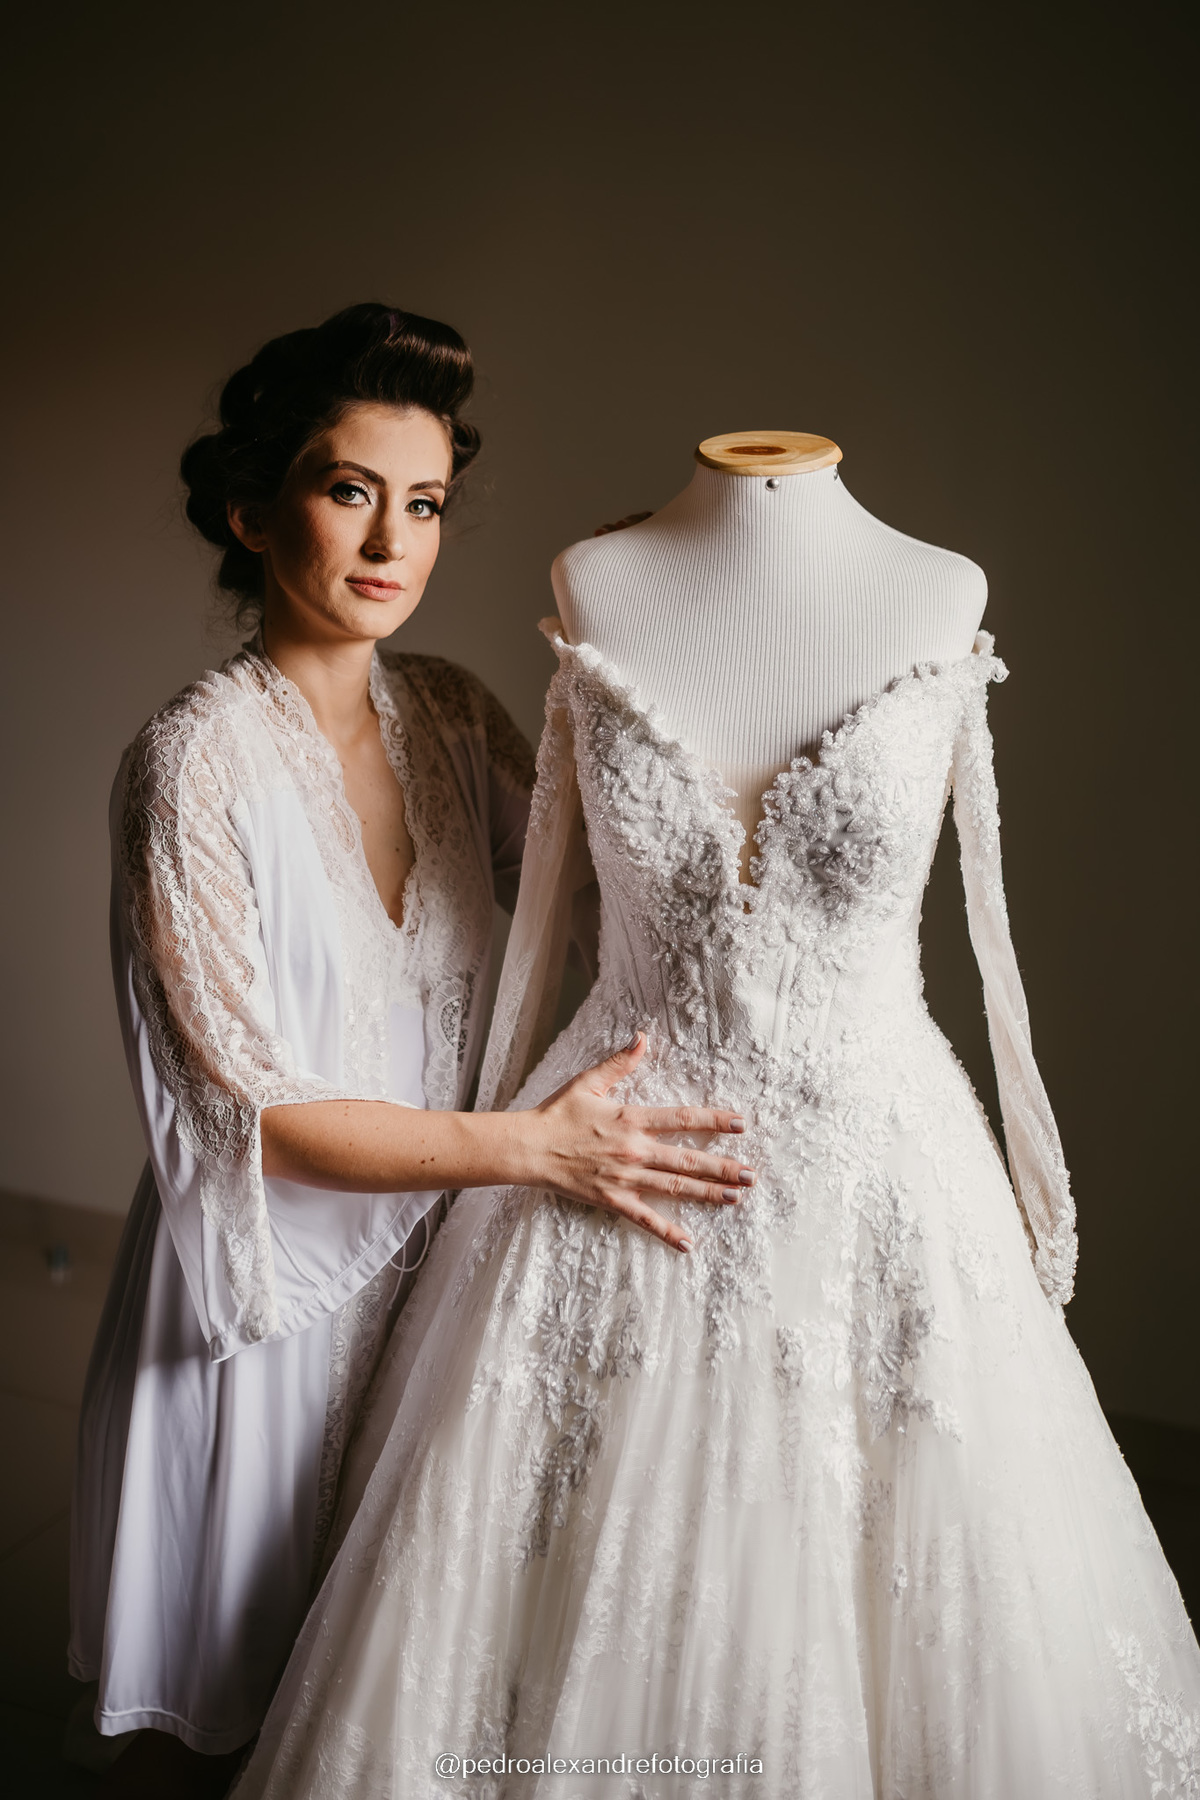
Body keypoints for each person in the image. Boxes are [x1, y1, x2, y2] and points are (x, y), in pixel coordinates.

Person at [234, 445, 1200, 1799]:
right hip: (615, 1141)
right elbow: (553, 900)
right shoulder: (598, 581)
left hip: (877, 1159)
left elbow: (981, 923)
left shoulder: (939, 592)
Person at [68, 308, 751, 1799]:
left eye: (426, 502)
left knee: (386, 1707)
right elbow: (255, 1111)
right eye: (349, 491)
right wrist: (534, 1148)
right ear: (253, 514)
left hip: (439, 1268)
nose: (393, 541)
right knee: (233, 1721)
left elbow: (603, 874)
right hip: (270, 1302)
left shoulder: (446, 711)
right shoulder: (190, 765)